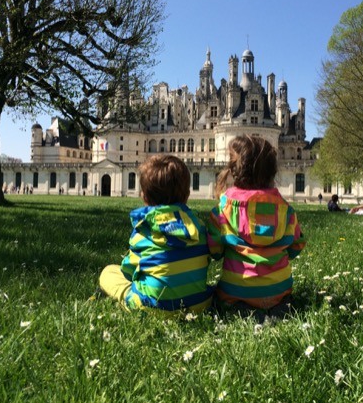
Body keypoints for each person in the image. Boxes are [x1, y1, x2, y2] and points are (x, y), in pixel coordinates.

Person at [99, 155, 213, 314]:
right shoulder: (199, 227)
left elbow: (128, 272)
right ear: (187, 194)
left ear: (144, 196)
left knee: (108, 272)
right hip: (199, 304)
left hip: (152, 307)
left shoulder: (145, 229)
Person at [207, 135, 306, 314]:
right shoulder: (286, 211)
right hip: (279, 295)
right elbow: (296, 247)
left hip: (235, 295)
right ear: (273, 172)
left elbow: (215, 251)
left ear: (233, 170)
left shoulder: (222, 210)